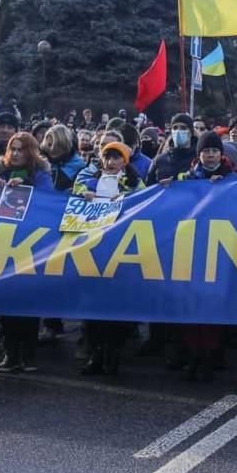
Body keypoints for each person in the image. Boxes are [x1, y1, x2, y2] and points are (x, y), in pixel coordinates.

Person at [74, 141, 142, 375]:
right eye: (107, 157)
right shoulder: (88, 180)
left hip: (122, 252)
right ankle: (95, 353)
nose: (111, 162)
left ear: (125, 161)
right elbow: (74, 196)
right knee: (92, 308)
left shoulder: (134, 183)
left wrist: (124, 199)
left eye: (116, 158)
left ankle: (113, 354)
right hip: (93, 252)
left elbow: (144, 202)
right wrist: (85, 194)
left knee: (116, 309)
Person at [171, 132, 235, 379]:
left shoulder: (234, 178)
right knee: (189, 304)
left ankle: (211, 353)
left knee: (211, 305)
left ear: (222, 154)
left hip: (221, 249)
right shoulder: (186, 178)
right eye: (206, 151)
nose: (210, 155)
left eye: (214, 151)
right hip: (190, 248)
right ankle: (193, 353)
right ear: (199, 155)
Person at [0, 132, 50, 374]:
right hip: (2, 245)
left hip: (30, 246)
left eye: (20, 149)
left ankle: (29, 353)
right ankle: (10, 352)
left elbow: (49, 201)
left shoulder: (40, 176)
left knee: (28, 301)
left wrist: (27, 189)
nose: (15, 154)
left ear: (31, 152)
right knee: (5, 301)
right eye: (12, 149)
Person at [153, 114, 197, 182]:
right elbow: (148, 187)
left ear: (191, 131)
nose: (178, 131)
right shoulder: (160, 160)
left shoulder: (199, 159)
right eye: (175, 128)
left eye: (183, 128)